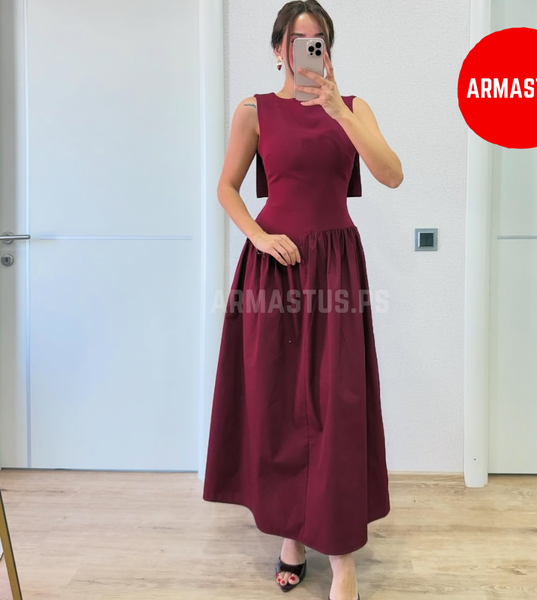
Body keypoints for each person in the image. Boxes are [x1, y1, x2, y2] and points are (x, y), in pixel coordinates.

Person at [202, 2, 403, 599]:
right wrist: (258, 236)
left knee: (336, 406)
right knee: (281, 406)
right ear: (279, 50)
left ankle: (342, 559)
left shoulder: (353, 107)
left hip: (336, 268)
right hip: (275, 270)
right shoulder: (254, 111)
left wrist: (338, 110)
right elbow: (227, 187)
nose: (309, 48)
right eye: (298, 39)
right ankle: (291, 536)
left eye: (319, 40)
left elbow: (391, 174)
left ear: (328, 50)